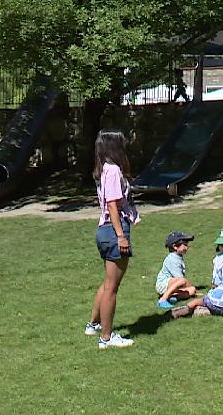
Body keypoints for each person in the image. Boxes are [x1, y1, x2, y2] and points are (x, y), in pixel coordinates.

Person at [86, 129, 140, 349]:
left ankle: (93, 325)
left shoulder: (104, 170)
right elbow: (113, 205)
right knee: (112, 288)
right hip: (113, 231)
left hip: (105, 231)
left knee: (109, 282)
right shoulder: (112, 170)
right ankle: (106, 338)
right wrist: (121, 236)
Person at [156, 231, 197, 309]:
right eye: (184, 245)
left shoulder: (178, 257)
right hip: (163, 284)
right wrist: (190, 286)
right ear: (175, 246)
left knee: (190, 292)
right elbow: (181, 280)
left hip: (172, 284)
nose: (187, 247)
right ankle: (163, 299)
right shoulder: (172, 259)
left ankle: (172, 297)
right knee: (186, 284)